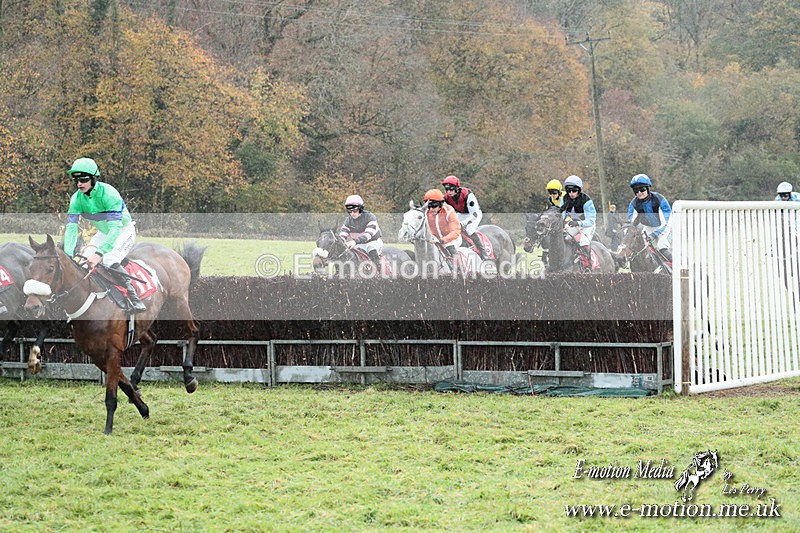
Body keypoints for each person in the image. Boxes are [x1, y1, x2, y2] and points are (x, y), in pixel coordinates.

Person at [64, 157, 146, 312]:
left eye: (83, 179)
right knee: (82, 263)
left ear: (94, 178)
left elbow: (115, 229)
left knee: (109, 259)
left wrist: (99, 253)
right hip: (103, 232)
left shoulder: (109, 193)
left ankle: (134, 297)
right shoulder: (76, 199)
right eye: (76, 179)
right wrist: (68, 254)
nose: (79, 183)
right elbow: (71, 228)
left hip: (122, 230)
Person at [627, 173, 672, 262]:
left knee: (661, 246)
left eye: (642, 189)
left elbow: (666, 222)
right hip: (648, 228)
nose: (639, 193)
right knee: (641, 248)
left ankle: (678, 269)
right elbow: (632, 223)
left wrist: (654, 235)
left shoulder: (659, 200)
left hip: (665, 227)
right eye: (636, 190)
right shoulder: (633, 204)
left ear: (648, 188)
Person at [441, 175, 488, 260]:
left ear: (456, 188)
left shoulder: (467, 194)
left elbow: (474, 214)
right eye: (447, 189)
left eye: (451, 189)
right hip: (461, 214)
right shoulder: (446, 198)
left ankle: (483, 253)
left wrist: (465, 223)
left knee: (469, 230)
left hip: (474, 214)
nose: (449, 192)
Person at [560, 175, 599, 270]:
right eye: (569, 191)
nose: (571, 193)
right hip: (574, 223)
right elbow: (561, 213)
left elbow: (590, 220)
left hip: (587, 225)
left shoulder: (586, 201)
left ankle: (587, 265)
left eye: (574, 191)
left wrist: (579, 223)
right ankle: (571, 258)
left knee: (583, 241)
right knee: (566, 238)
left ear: (579, 190)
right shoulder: (565, 199)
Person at [339, 194, 384, 270]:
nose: (352, 213)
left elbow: (368, 235)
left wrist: (354, 242)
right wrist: (340, 242)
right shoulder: (348, 220)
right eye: (350, 210)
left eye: (355, 210)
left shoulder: (370, 217)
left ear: (361, 209)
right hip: (359, 244)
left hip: (373, 241)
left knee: (371, 248)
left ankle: (379, 272)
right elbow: (343, 234)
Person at [424, 189, 461, 260]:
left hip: (452, 239)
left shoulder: (449, 211)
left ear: (440, 204)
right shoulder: (426, 213)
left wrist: (442, 240)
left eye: (434, 206)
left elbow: (455, 231)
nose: (431, 209)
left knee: (449, 246)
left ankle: (460, 269)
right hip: (435, 239)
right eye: (429, 206)